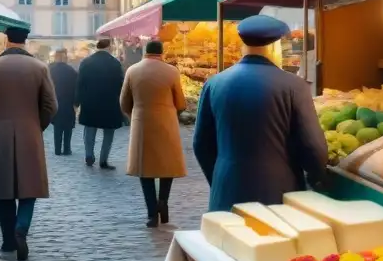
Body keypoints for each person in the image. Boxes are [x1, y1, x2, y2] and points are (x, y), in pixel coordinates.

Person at [193, 14, 327, 213]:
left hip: (226, 191)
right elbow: (314, 148)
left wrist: (220, 180)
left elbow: (201, 144)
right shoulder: (294, 86)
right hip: (277, 194)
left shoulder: (214, 83)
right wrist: (317, 180)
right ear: (275, 47)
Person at [0, 26, 58, 261]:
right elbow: (52, 106)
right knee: (29, 187)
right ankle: (21, 227)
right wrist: (35, 125)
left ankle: (8, 240)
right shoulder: (40, 67)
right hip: (29, 132)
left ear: (6, 39)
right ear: (25, 40)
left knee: (3, 189)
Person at [121, 40, 187, 227]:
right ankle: (163, 202)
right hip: (167, 122)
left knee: (145, 169)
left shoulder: (132, 71)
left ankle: (151, 213)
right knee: (167, 167)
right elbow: (181, 103)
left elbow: (124, 102)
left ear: (145, 52)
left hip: (142, 122)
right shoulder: (172, 71)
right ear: (162, 53)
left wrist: (135, 114)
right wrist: (171, 113)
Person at [76, 38, 125, 169]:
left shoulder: (86, 62)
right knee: (108, 133)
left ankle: (89, 155)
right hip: (109, 103)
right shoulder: (115, 63)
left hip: (90, 102)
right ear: (109, 47)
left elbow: (80, 83)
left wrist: (77, 102)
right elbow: (121, 84)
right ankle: (104, 160)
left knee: (90, 130)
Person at [48, 48, 78, 155]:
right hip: (68, 102)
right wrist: (76, 103)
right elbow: (76, 88)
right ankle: (66, 149)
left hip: (55, 101)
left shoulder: (50, 69)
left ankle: (57, 149)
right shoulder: (71, 71)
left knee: (57, 126)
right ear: (65, 57)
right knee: (68, 127)